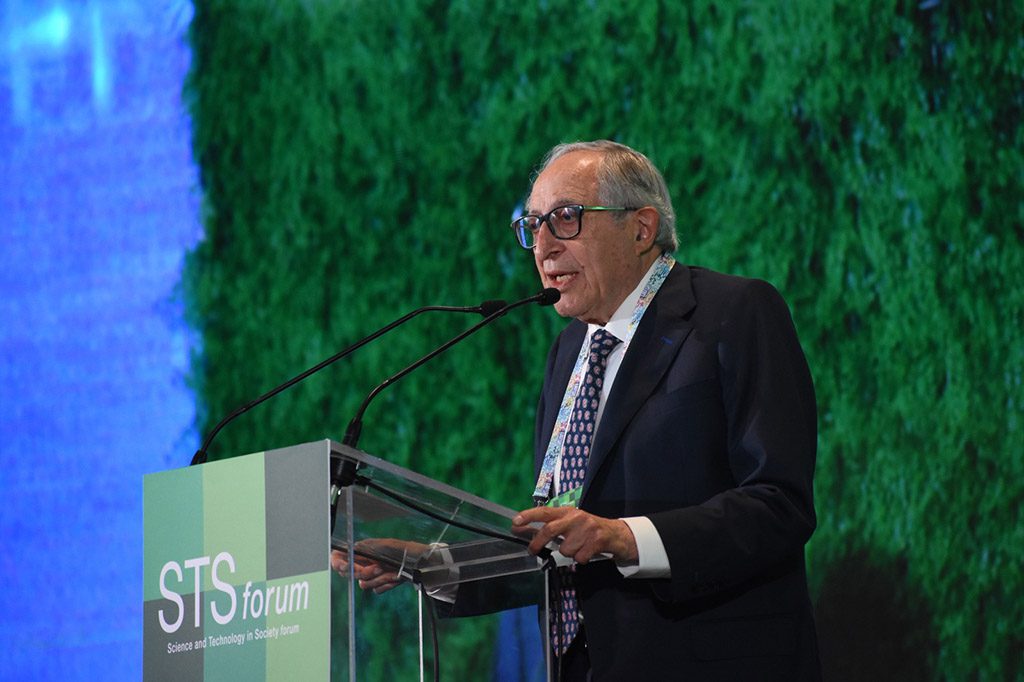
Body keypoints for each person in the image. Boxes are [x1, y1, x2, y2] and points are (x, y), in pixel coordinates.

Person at [335, 140, 821, 681]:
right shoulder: (568, 351)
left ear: (641, 228)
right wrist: (431, 564)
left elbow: (780, 504)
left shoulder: (733, 313)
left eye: (565, 218)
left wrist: (625, 538)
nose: (542, 246)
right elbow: (563, 541)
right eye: (532, 225)